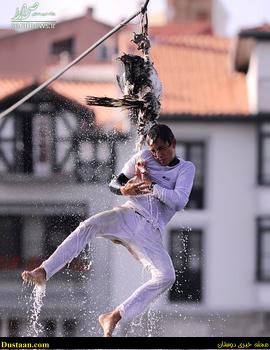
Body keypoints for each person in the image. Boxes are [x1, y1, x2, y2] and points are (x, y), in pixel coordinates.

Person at [22, 123, 195, 337]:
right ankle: (44, 271)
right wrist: (124, 189)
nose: (158, 155)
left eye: (162, 149)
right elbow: (115, 183)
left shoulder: (185, 168)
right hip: (127, 213)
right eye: (154, 150)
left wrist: (151, 186)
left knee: (166, 276)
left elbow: (178, 202)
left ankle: (114, 316)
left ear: (173, 144)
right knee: (87, 226)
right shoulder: (143, 157)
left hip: (148, 231)